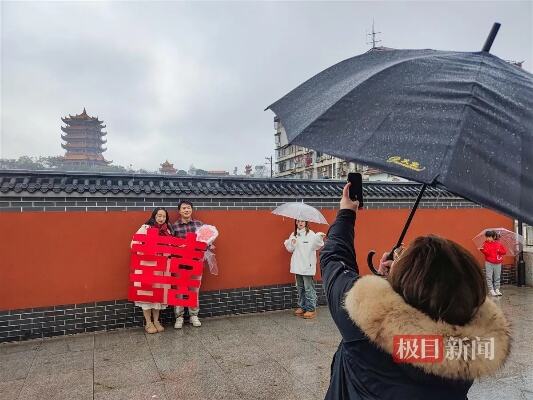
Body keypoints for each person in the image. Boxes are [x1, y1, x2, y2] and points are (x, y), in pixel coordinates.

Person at [319, 183, 510, 399]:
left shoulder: (364, 330)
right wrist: (391, 283)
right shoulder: (469, 351)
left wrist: (346, 212)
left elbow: (334, 258)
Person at [131, 207, 173, 334]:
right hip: (147, 267)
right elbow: (134, 244)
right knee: (147, 295)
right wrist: (149, 249)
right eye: (159, 216)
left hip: (161, 268)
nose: (161, 218)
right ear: (154, 216)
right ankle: (148, 323)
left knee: (158, 296)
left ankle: (156, 321)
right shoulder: (145, 228)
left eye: (164, 216)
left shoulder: (168, 231)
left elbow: (171, 248)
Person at [284, 219, 325, 319]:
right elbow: (290, 249)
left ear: (306, 222)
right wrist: (292, 242)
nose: (300, 223)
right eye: (298, 221)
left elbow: (317, 245)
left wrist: (319, 237)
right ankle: (302, 307)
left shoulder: (311, 234)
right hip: (297, 266)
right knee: (300, 287)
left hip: (307, 266)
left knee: (308, 288)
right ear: (296, 222)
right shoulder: (294, 234)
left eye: (302, 221)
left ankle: (311, 309)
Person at [172, 200, 204, 328]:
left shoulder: (199, 225)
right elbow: (170, 246)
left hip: (195, 264)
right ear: (179, 211)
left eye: (189, 208)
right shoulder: (174, 227)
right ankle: (179, 317)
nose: (186, 210)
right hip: (179, 264)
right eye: (184, 208)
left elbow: (205, 243)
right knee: (179, 291)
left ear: (192, 210)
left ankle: (193, 315)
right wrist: (181, 247)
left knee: (193, 291)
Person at [480, 230, 507, 296]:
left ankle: (497, 289)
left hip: (498, 262)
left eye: (489, 237)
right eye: (487, 237)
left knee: (497, 276)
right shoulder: (485, 244)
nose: (488, 238)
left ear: (493, 237)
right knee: (489, 276)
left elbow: (504, 252)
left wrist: (499, 250)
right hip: (489, 262)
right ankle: (491, 290)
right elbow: (487, 254)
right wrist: (482, 250)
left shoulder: (498, 244)